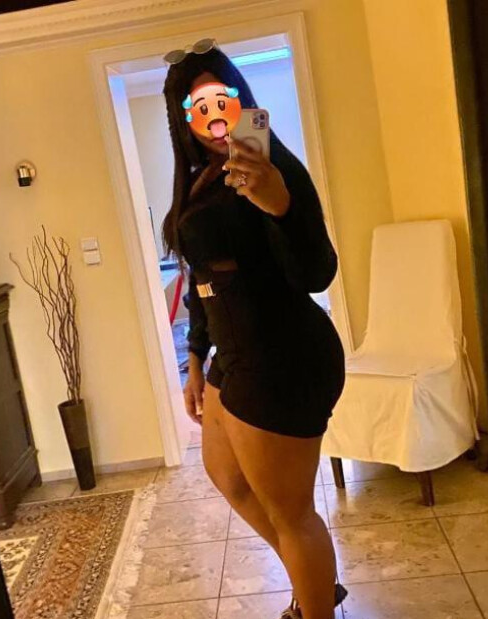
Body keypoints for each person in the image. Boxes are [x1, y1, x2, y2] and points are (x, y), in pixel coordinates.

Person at [162, 40, 347, 619]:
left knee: (291, 512)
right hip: (232, 352)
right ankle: (312, 581)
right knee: (229, 478)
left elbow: (317, 272)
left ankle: (313, 601)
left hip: (283, 352)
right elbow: (201, 279)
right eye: (199, 108)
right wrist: (195, 358)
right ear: (184, 121)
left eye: (223, 100)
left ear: (241, 102)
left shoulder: (273, 168)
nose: (216, 117)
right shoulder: (199, 179)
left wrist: (280, 207)